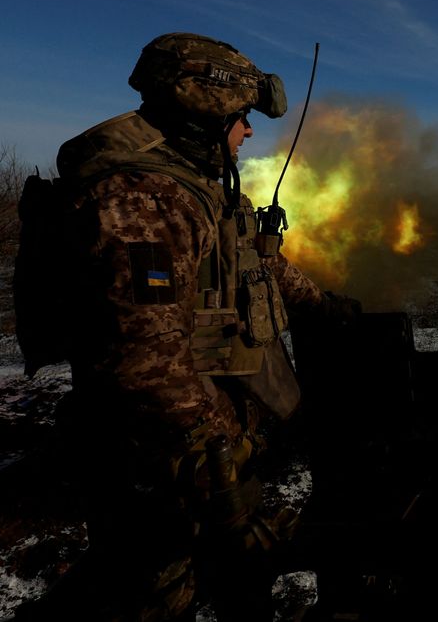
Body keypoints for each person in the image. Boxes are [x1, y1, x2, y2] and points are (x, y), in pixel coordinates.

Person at [15, 32, 358, 621]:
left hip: (205, 449)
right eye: (242, 118)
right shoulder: (144, 197)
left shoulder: (197, 188)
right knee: (148, 589)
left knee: (233, 584)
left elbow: (258, 264)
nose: (248, 132)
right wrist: (218, 474)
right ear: (208, 113)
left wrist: (327, 307)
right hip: (162, 460)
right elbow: (145, 359)